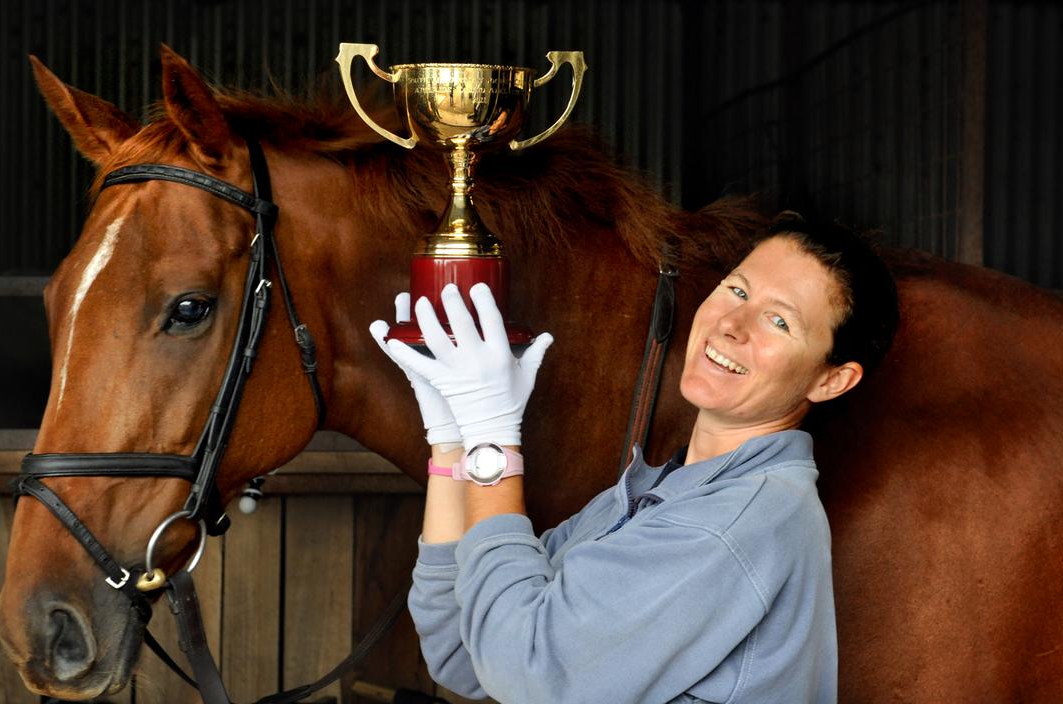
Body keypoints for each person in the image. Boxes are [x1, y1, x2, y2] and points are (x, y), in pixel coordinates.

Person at [369, 212, 899, 704]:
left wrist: (492, 436)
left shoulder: (731, 523)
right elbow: (460, 648)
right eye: (736, 290)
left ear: (831, 380)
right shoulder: (650, 498)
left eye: (779, 322)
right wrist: (453, 444)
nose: (732, 325)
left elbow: (526, 670)